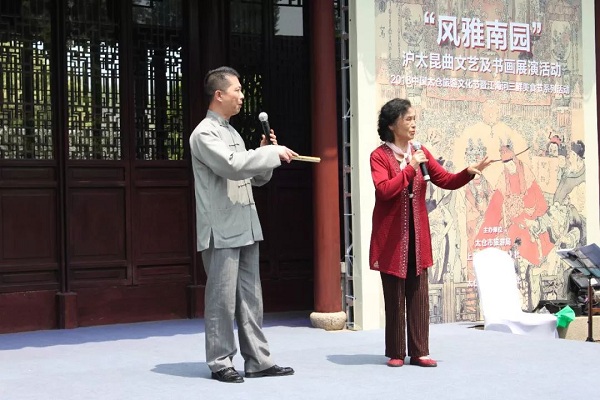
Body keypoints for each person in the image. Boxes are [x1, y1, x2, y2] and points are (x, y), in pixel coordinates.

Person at [189, 66, 297, 383]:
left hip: (246, 224)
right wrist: (268, 152)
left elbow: (256, 177)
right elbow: (234, 166)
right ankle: (220, 361)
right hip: (220, 227)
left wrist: (266, 154)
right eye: (237, 90)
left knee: (251, 298)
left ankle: (258, 360)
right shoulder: (204, 134)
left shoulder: (233, 133)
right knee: (222, 299)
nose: (241, 95)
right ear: (219, 94)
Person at [369, 98, 491, 368]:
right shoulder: (379, 156)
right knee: (394, 296)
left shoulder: (420, 150)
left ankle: (420, 350)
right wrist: (410, 167)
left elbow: (445, 179)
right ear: (392, 124)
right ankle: (396, 353)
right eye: (408, 119)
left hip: (417, 235)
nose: (413, 124)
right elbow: (385, 190)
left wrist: (468, 173)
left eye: (414, 119)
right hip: (391, 238)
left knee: (419, 295)